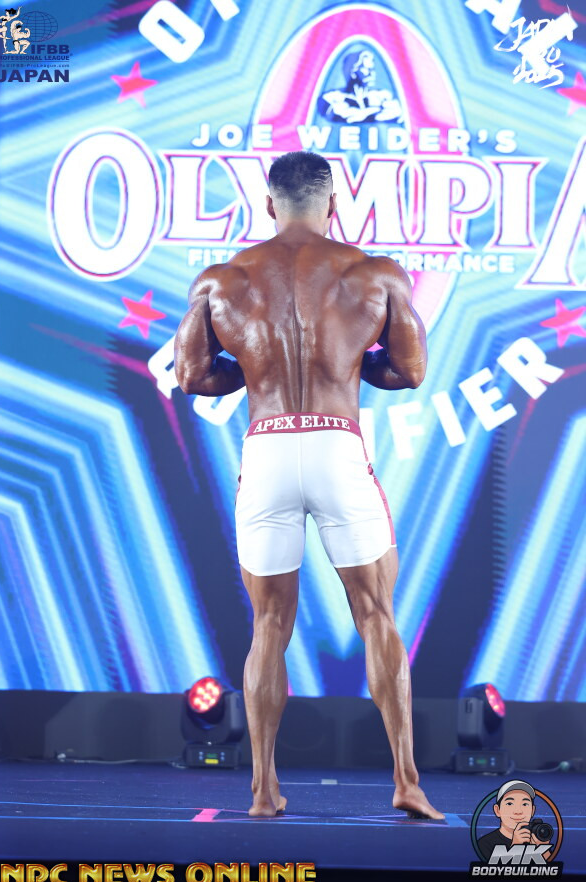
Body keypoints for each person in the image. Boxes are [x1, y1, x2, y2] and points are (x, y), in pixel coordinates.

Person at [174, 150, 443, 820]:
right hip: (334, 442)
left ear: (269, 204)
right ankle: (406, 781)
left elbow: (191, 375)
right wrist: (346, 366)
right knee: (376, 614)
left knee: (269, 623)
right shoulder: (373, 274)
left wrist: (255, 372)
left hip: (266, 447)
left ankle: (264, 789)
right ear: (334, 203)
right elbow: (410, 371)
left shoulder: (220, 281)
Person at [478, 780, 552, 861]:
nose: (518, 811)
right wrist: (515, 846)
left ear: (532, 810)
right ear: (497, 810)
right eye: (510, 803)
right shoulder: (484, 844)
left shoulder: (537, 838)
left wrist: (543, 849)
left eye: (525, 804)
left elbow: (552, 866)